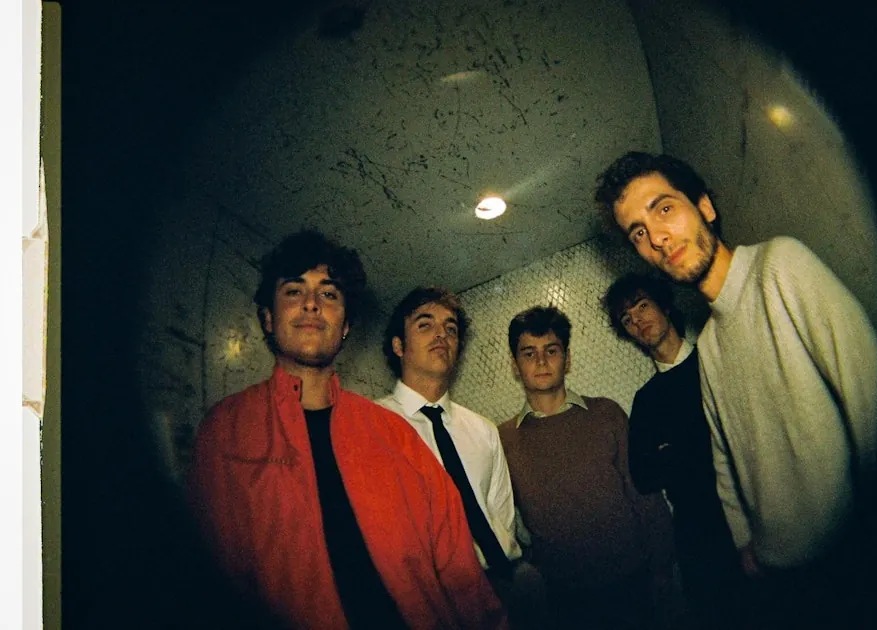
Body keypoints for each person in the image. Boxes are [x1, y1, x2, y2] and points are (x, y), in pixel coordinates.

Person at [595, 152, 877, 627]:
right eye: (639, 233)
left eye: (664, 208)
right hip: (778, 580)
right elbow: (726, 460)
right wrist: (743, 546)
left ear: (705, 206)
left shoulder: (780, 266)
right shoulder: (711, 345)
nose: (658, 238)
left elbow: (871, 395)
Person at [186, 230, 507, 630]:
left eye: (329, 294)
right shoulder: (225, 433)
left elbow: (462, 575)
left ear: (346, 326)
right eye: (294, 291)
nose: (311, 303)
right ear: (267, 317)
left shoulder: (396, 435)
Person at [377, 287, 548, 630]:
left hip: (511, 584)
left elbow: (501, 515)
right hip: (437, 605)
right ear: (398, 346)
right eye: (425, 324)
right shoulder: (373, 427)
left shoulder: (482, 429)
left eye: (451, 328)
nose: (441, 334)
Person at [498, 306, 677, 630]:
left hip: (635, 584)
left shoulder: (606, 413)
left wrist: (662, 571)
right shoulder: (502, 439)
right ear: (515, 365)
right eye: (529, 353)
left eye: (551, 350)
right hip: (566, 602)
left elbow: (645, 495)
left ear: (567, 359)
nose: (541, 361)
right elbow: (502, 522)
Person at [602, 273, 746, 629]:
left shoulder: (717, 360)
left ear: (665, 305)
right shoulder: (646, 401)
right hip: (698, 534)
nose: (637, 320)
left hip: (750, 510)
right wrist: (697, 446)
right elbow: (643, 476)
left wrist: (674, 451)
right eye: (626, 319)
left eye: (642, 306)